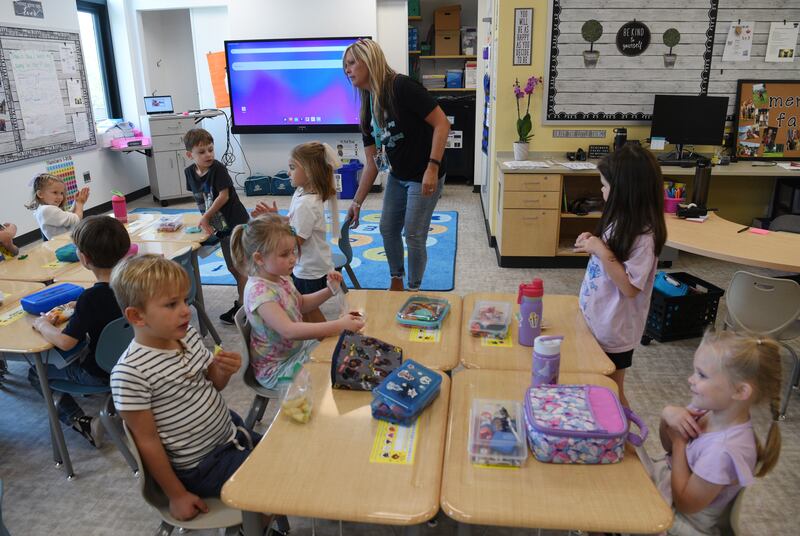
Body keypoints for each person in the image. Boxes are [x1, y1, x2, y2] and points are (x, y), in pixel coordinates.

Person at [110, 255, 257, 522]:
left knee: (287, 453)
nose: (185, 310)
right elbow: (147, 441)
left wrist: (222, 371)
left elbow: (213, 384)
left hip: (229, 434)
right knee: (277, 481)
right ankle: (258, 525)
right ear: (136, 315)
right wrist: (176, 495)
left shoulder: (185, 334)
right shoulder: (130, 373)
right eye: (171, 304)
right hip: (202, 466)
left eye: (184, 300)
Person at [342, 38, 450, 291]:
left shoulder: (402, 87)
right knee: (387, 229)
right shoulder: (367, 108)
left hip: (424, 172)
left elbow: (442, 124)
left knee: (413, 234)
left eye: (352, 63)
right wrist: (356, 202)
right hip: (399, 175)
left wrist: (432, 168)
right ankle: (396, 279)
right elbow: (372, 162)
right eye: (345, 66)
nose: (347, 70)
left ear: (369, 61)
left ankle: (413, 288)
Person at [654, 330, 782, 534]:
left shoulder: (724, 451)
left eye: (701, 374)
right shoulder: (708, 409)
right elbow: (667, 446)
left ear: (740, 391)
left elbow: (686, 505)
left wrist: (680, 444)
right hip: (669, 489)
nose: (690, 379)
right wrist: (667, 416)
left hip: (682, 522)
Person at [574, 144, 667, 407]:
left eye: (605, 185)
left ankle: (623, 442)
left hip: (615, 331)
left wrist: (601, 250)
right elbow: (610, 258)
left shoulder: (645, 236)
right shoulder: (621, 220)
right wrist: (592, 241)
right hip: (597, 319)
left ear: (625, 191)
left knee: (612, 390)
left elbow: (629, 288)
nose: (602, 190)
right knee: (594, 384)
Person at [230, 214, 364, 389]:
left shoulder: (281, 277)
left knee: (349, 354)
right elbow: (290, 330)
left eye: (293, 251)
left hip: (298, 351)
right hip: (278, 370)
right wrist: (339, 325)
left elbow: (300, 303)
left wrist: (329, 290)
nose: (293, 258)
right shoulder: (260, 294)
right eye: (284, 254)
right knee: (337, 376)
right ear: (259, 258)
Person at [29, 215, 130, 446]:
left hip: (101, 372)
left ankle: (80, 421)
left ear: (83, 258)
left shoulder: (91, 298)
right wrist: (78, 306)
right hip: (132, 363)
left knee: (36, 372)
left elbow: (66, 342)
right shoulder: (130, 283)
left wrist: (43, 325)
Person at [258, 141, 342, 322]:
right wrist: (277, 218)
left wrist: (274, 226)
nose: (288, 172)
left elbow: (296, 241)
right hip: (312, 263)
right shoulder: (301, 193)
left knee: (306, 310)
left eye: (292, 167)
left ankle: (326, 341)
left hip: (309, 268)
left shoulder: (307, 203)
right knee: (305, 309)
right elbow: (293, 223)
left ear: (310, 171)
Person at [183, 128, 249, 325]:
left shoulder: (218, 168)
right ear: (190, 155)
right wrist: (205, 220)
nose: (208, 155)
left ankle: (243, 306)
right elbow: (201, 198)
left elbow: (224, 196)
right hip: (220, 225)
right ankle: (244, 302)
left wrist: (205, 217)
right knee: (232, 267)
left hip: (236, 223)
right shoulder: (189, 173)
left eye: (211, 150)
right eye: (202, 152)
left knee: (240, 268)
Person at [26, 173, 90, 240]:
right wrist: (80, 203)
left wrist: (76, 202)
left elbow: (67, 215)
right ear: (40, 194)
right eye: (55, 192)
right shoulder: (47, 210)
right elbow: (76, 219)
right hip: (66, 244)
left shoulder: (42, 208)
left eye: (61, 193)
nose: (60, 197)